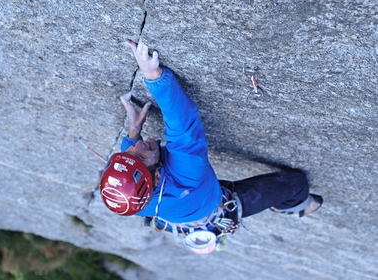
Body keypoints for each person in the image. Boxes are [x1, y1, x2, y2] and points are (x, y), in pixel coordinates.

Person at [99, 39, 323, 253]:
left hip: (184, 206)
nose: (137, 145)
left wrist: (134, 129)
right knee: (297, 182)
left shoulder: (132, 200)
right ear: (157, 178)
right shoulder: (187, 172)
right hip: (214, 204)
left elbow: (129, 170)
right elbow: (182, 124)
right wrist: (154, 77)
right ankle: (293, 205)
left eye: (128, 151)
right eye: (142, 156)